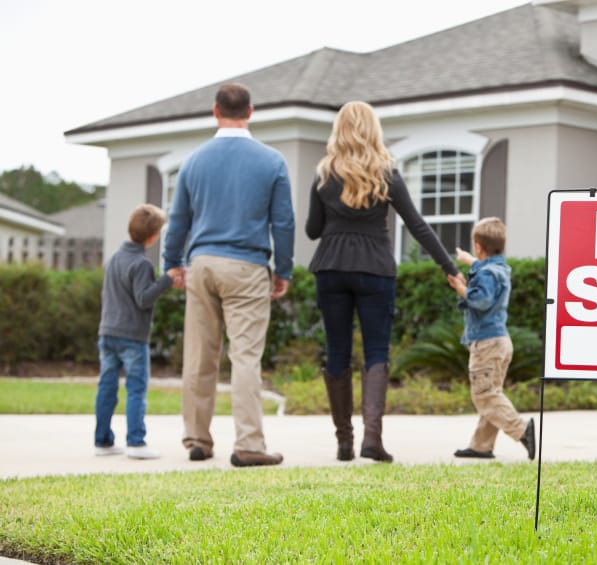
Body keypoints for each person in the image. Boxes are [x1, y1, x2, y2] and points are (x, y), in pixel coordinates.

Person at [306, 100, 461, 463]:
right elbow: (416, 224)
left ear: (339, 130)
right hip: (375, 269)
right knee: (377, 352)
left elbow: (312, 230)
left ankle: (344, 442)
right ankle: (371, 439)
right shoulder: (386, 173)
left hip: (331, 267)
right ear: (373, 129)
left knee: (337, 352)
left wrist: (336, 219)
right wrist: (450, 268)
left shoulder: (324, 173)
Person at [163, 82, 295, 468]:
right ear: (250, 111)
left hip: (202, 263)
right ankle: (250, 443)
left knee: (200, 356)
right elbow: (283, 223)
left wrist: (172, 261)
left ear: (215, 111)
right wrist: (282, 270)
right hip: (248, 265)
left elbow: (177, 221)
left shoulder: (194, 161)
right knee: (245, 357)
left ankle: (198, 440)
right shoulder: (272, 161)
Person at [95, 204, 181, 460]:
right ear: (153, 236)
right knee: (135, 388)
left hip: (107, 333)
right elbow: (143, 298)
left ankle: (102, 441)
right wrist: (167, 279)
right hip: (132, 336)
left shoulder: (113, 259)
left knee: (107, 387)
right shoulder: (141, 264)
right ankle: (136, 441)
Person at [447, 217, 535, 460]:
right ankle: (481, 446)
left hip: (487, 342)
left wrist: (461, 288)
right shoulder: (500, 268)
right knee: (491, 391)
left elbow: (480, 300)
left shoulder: (487, 273)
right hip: (499, 341)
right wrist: (471, 261)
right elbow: (486, 272)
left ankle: (522, 430)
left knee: (484, 395)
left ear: (478, 246)